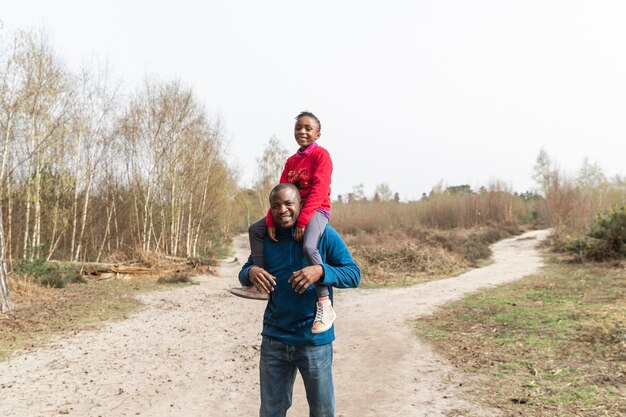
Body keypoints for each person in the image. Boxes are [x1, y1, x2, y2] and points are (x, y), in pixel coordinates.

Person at [237, 183, 360, 417]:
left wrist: (321, 271)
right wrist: (251, 272)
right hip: (274, 339)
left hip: (314, 341)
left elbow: (353, 274)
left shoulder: (322, 234)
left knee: (322, 412)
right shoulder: (267, 237)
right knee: (271, 412)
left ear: (300, 204)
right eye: (275, 205)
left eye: (288, 203)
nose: (282, 210)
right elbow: (244, 271)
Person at [231, 111, 336, 334]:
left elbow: (319, 189)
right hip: (293, 210)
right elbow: (280, 193)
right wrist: (270, 220)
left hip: (317, 210)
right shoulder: (291, 161)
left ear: (318, 134)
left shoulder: (321, 155)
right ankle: (260, 286)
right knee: (255, 230)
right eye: (299, 127)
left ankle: (324, 302)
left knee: (308, 245)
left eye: (308, 128)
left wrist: (304, 220)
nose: (303, 131)